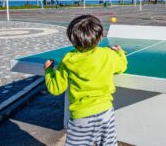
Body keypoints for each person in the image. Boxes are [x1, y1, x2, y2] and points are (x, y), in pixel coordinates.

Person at [43, 14, 127, 145]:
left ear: (72, 40)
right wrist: (120, 52)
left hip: (81, 118)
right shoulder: (108, 54)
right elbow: (122, 66)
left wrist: (48, 71)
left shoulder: (68, 60)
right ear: (100, 38)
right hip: (106, 113)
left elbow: (55, 88)